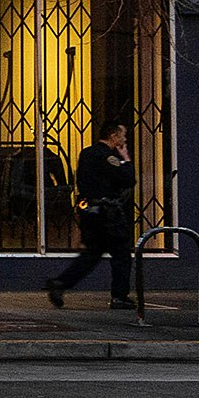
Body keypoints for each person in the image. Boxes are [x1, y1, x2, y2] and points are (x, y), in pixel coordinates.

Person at [47, 122, 138, 309]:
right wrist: (126, 158)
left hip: (89, 212)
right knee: (121, 254)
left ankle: (61, 282)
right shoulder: (108, 156)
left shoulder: (86, 153)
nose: (124, 140)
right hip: (108, 214)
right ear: (113, 136)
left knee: (92, 254)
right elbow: (129, 179)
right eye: (122, 136)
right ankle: (119, 296)